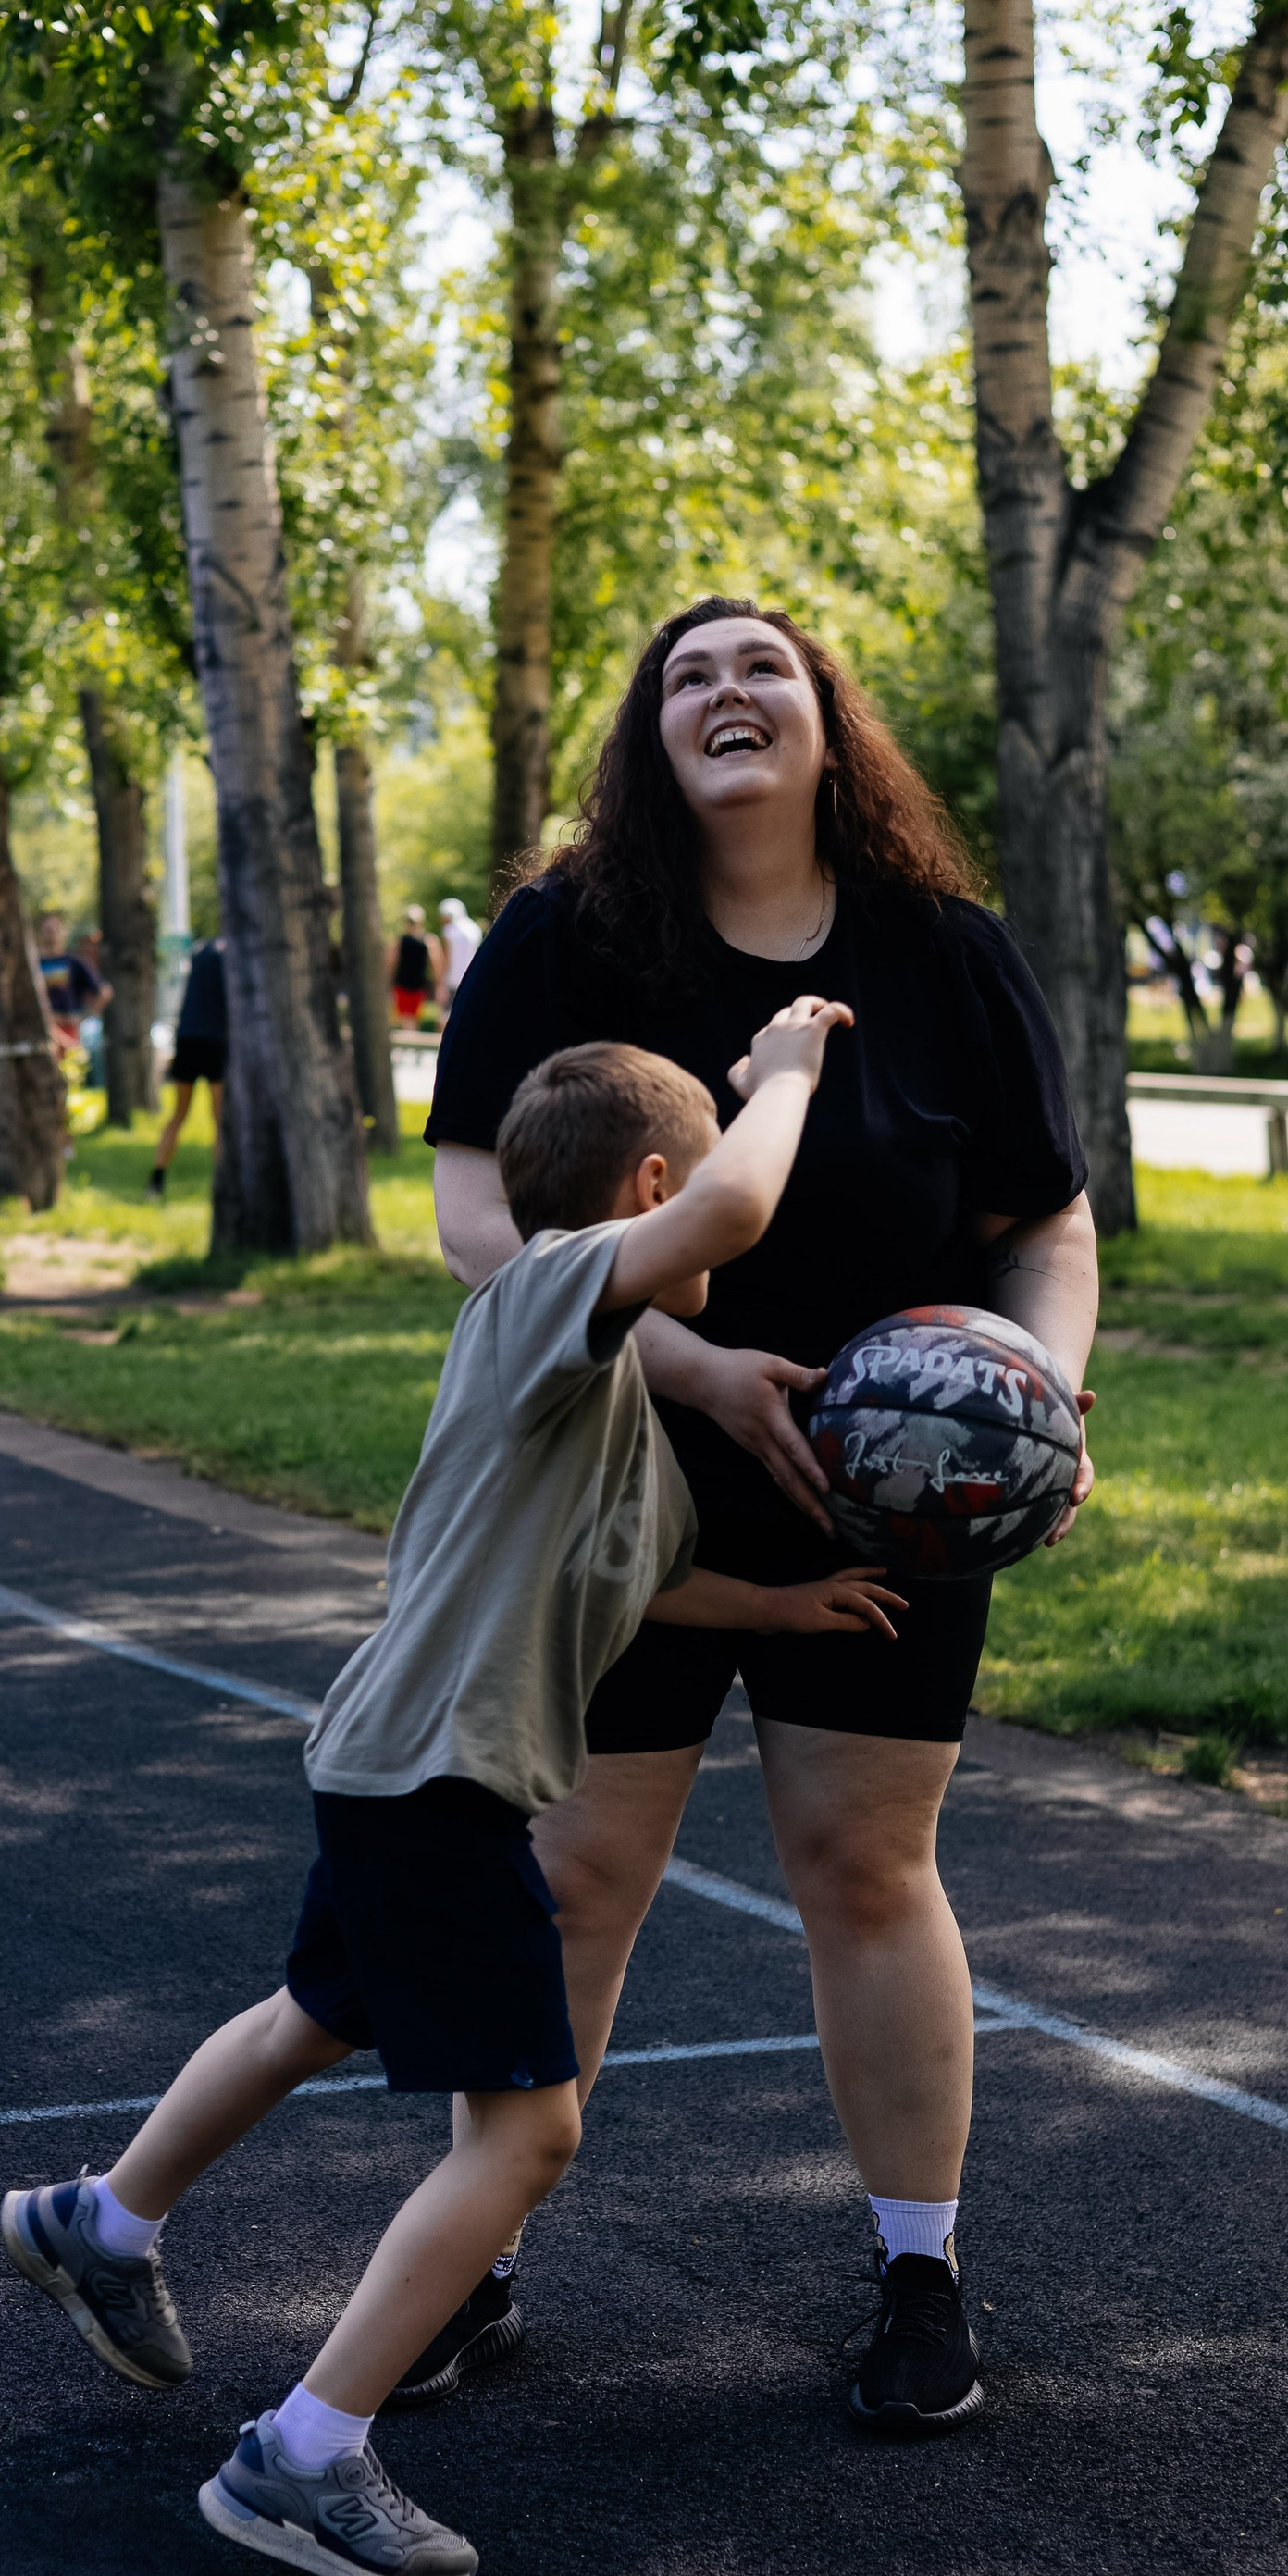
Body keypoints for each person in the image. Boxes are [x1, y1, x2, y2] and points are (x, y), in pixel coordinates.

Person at [3, 1008, 901, 2576]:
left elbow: (629, 1572)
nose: (720, 1234)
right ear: (643, 1185)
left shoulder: (601, 1390)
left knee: (311, 2016)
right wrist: (787, 1083)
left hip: (394, 1758)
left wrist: (774, 1612)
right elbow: (735, 1211)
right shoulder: (546, 1288)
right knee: (533, 2131)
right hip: (438, 1779)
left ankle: (103, 2219)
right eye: (683, 1185)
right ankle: (305, 2455)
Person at [420, 597, 1098, 2431]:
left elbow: (1038, 1218)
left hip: (887, 1494)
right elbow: (473, 1215)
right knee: (573, 1879)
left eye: (761, 671)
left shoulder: (938, 950)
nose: (723, 693)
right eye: (684, 677)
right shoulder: (566, 935)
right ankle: (463, 2272)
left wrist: (1036, 1388)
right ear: (652, 738)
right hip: (615, 1471)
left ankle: (915, 2274)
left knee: (863, 1872)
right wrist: (684, 1364)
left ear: (823, 723)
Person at [148, 934, 226, 1199]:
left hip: (188, 1038)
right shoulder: (232, 953)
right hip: (216, 1039)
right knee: (220, 1119)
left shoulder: (201, 951)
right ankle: (223, 1186)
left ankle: (156, 1182)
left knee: (178, 1115)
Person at [35, 910, 105, 1046]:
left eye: (55, 929)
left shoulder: (75, 962)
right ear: (40, 933)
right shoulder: (34, 965)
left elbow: (104, 992)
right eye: (47, 930)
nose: (51, 934)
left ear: (63, 931)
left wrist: (85, 1018)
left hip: (71, 1031)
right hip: (41, 1030)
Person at [391, 905, 435, 1026]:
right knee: (405, 1018)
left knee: (412, 1018)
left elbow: (434, 964)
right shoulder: (401, 940)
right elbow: (392, 962)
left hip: (417, 986)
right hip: (404, 985)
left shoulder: (427, 940)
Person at [438, 894, 483, 1011]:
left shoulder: (449, 930)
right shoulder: (474, 929)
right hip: (470, 978)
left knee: (446, 1015)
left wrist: (440, 983)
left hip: (452, 980)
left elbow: (446, 958)